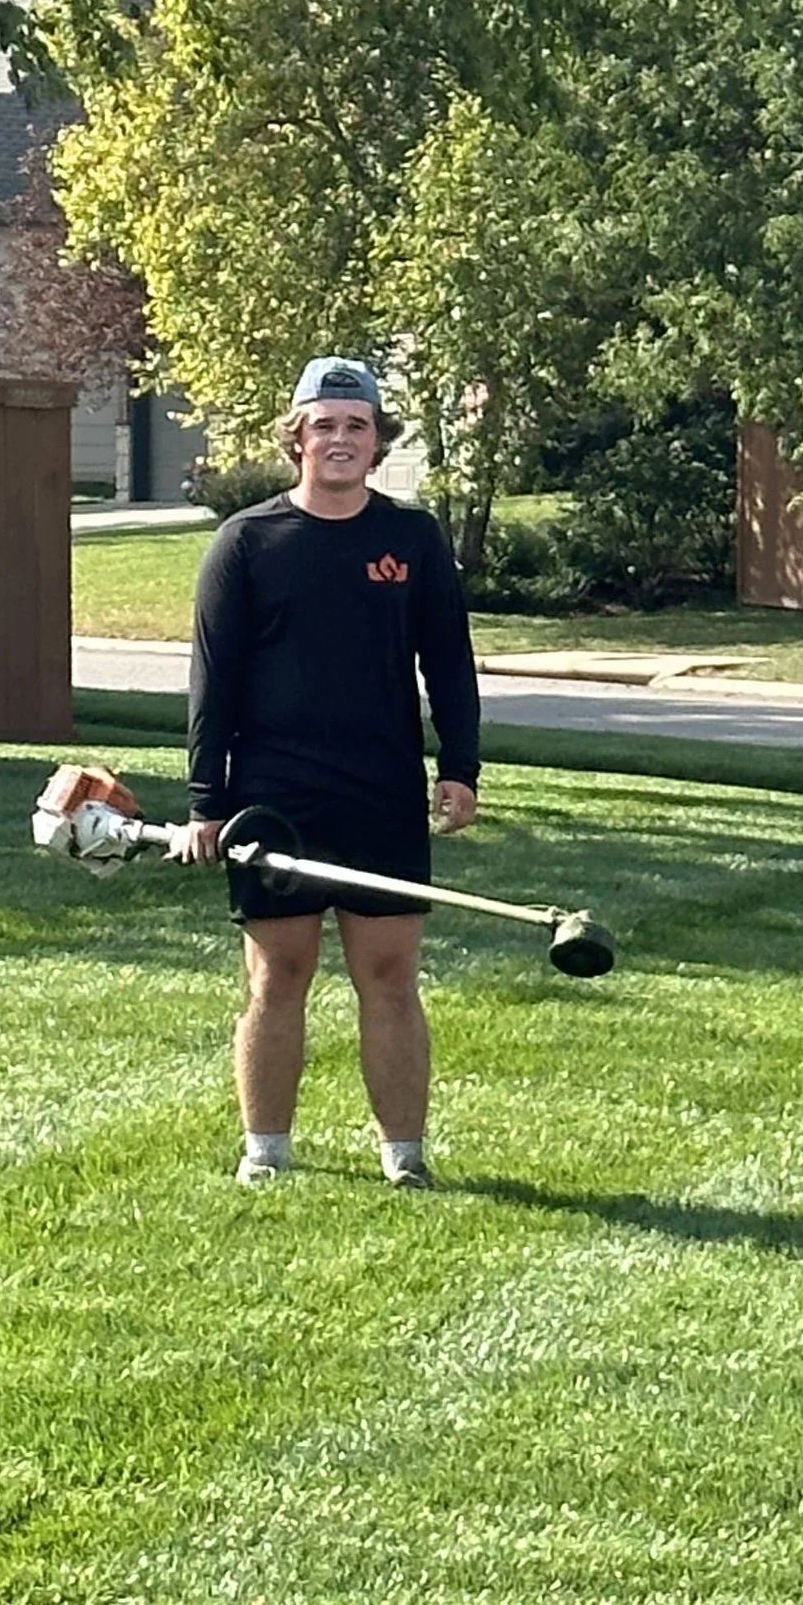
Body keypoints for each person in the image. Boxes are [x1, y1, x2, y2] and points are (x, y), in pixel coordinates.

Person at [177, 355, 481, 1189]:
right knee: (280, 975)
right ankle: (265, 1152)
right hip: (274, 797)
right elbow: (213, 680)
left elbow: (450, 664)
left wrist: (460, 767)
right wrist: (209, 800)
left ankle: (404, 1157)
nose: (340, 439)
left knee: (389, 977)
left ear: (378, 441)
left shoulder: (412, 540)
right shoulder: (247, 542)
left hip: (381, 793)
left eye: (357, 425)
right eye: (324, 425)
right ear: (297, 438)